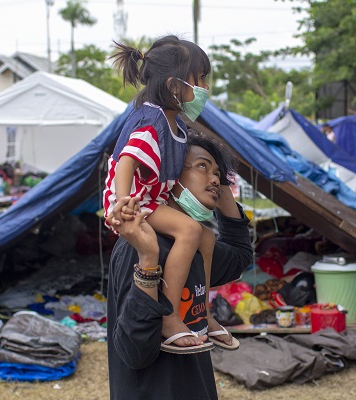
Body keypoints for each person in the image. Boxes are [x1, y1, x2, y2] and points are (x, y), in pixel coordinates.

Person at [107, 134, 252, 399]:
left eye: (217, 174)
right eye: (201, 166)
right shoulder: (138, 247)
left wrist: (219, 179)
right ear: (170, 174)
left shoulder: (197, 247)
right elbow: (135, 351)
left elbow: (240, 256)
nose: (214, 179)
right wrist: (148, 261)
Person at [104, 36, 225, 353]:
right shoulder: (151, 121)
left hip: (153, 199)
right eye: (201, 79)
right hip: (137, 202)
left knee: (207, 237)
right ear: (174, 86)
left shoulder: (178, 126)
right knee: (190, 230)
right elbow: (126, 161)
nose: (205, 88)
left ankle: (202, 311)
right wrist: (122, 204)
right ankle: (169, 316)